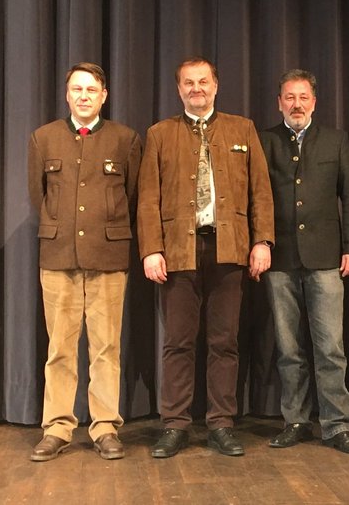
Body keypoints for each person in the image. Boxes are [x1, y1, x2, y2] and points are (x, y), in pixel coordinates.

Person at [137, 56, 274, 458]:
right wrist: (151, 249)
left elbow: (261, 191)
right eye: (189, 83)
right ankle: (175, 424)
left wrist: (263, 241)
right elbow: (147, 199)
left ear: (216, 85)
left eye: (203, 81)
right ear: (179, 89)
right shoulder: (160, 134)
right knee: (178, 342)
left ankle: (221, 424)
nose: (196, 88)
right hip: (178, 251)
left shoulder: (242, 128)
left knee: (224, 342)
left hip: (229, 249)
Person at [27, 62, 142, 461]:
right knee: (59, 348)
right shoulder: (43, 138)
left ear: (104, 96)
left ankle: (105, 427)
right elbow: (39, 196)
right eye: (77, 89)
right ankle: (57, 427)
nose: (84, 96)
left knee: (106, 347)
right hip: (58, 257)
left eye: (91, 89)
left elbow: (132, 197)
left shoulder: (125, 139)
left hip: (108, 257)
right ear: (67, 94)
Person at [259, 69, 349, 455]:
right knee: (289, 349)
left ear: (314, 102)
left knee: (330, 348)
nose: (296, 104)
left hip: (326, 259)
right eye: (289, 97)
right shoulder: (265, 140)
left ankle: (336, 425)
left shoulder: (335, 140)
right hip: (280, 259)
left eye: (303, 97)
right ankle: (296, 421)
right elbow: (256, 197)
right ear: (279, 103)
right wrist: (260, 242)